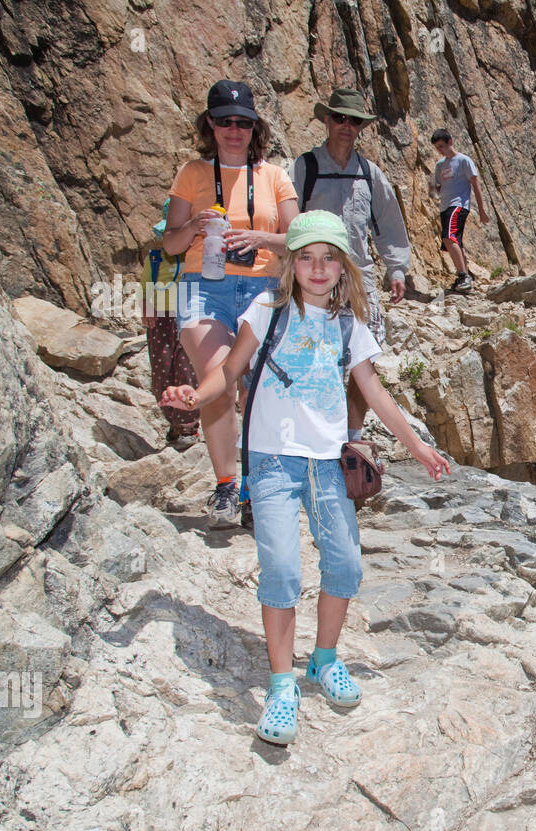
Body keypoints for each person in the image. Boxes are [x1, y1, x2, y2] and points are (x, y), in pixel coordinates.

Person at [159, 211, 451, 746]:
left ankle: (323, 660)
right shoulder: (267, 309)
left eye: (329, 258)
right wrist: (194, 396)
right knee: (282, 570)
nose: (318, 269)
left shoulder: (348, 325)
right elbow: (228, 372)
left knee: (343, 562)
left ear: (342, 267)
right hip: (271, 459)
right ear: (292, 263)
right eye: (307, 257)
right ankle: (280, 684)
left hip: (326, 462)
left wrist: (418, 446)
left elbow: (376, 394)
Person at [162, 80, 299, 529]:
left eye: (243, 122)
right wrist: (197, 227)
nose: (234, 130)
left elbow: (298, 240)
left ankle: (256, 487)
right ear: (211, 124)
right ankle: (226, 483)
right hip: (205, 285)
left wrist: (260, 238)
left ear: (254, 127)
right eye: (225, 121)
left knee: (257, 389)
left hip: (262, 287)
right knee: (218, 377)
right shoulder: (192, 174)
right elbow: (170, 245)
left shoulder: (275, 176)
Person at [292, 88, 411, 449]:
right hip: (315, 279)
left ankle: (351, 436)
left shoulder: (369, 173)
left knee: (365, 359)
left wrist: (397, 269)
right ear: (327, 120)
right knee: (314, 357)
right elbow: (287, 221)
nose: (346, 126)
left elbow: (389, 223)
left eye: (354, 121)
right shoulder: (305, 167)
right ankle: (313, 430)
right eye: (339, 118)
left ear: (361, 127)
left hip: (360, 278)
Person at [146, 199, 199, 450]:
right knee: (162, 369)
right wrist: (146, 304)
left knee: (187, 369)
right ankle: (173, 420)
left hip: (191, 316)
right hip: (162, 320)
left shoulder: (198, 258)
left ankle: (189, 423)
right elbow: (147, 283)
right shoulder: (156, 258)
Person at [428, 128, 489, 293]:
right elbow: (438, 188)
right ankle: (464, 276)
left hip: (459, 205)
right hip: (445, 206)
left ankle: (464, 276)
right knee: (455, 242)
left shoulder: (463, 160)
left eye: (441, 146)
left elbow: (476, 184)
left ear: (450, 142)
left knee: (449, 237)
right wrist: (432, 188)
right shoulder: (440, 165)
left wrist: (482, 210)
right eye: (437, 148)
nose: (440, 151)